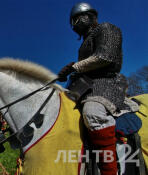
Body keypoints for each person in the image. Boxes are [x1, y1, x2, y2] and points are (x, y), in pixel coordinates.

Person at [58, 2, 129, 175]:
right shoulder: (83, 45)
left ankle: (109, 171)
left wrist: (76, 66)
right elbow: (83, 67)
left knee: (92, 112)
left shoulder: (107, 28)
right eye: (73, 20)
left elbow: (105, 57)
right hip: (85, 87)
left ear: (89, 17)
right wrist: (68, 72)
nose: (74, 24)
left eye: (77, 19)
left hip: (106, 83)